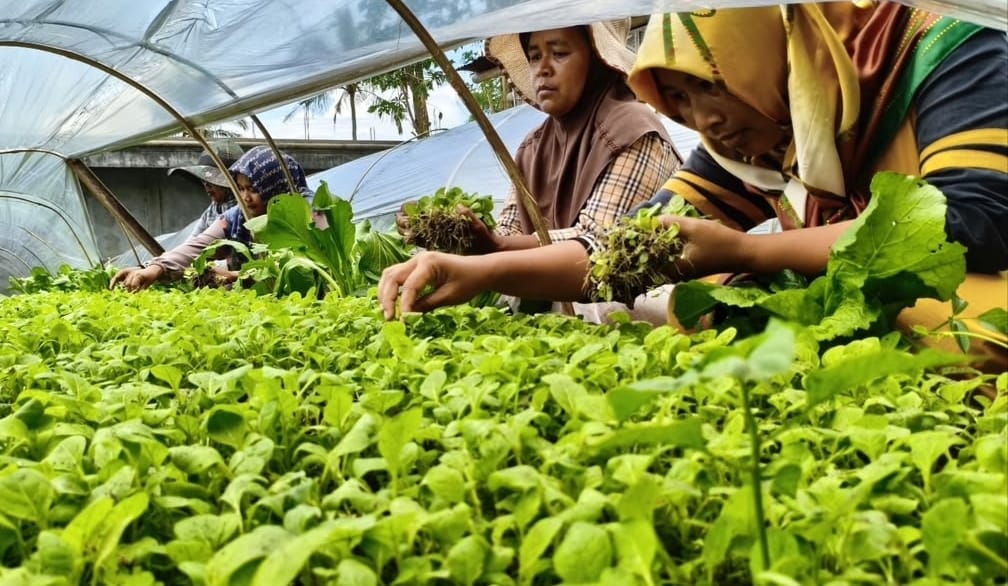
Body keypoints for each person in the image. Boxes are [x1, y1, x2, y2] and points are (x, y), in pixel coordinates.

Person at [378, 4, 1006, 355]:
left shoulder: (947, 43)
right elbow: (625, 248)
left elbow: (971, 224)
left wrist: (746, 250)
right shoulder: (750, 139)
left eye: (715, 85)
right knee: (688, 302)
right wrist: (479, 271)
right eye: (679, 96)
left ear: (775, 52)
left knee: (963, 325)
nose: (703, 120)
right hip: (861, 297)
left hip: (979, 279)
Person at [400, 20, 681, 257]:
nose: (542, 68)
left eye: (559, 53)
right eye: (534, 56)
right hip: (563, 299)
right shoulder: (533, 147)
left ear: (598, 61)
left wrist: (495, 246)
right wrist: (447, 231)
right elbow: (509, 230)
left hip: (634, 309)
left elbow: (596, 246)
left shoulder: (634, 130)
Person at [111, 145, 312, 292]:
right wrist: (153, 268)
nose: (245, 197)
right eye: (240, 188)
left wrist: (235, 277)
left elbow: (305, 269)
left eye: (253, 189)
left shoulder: (313, 213)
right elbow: (199, 246)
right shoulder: (237, 216)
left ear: (274, 186)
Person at [168, 141, 245, 238]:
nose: (206, 185)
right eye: (203, 180)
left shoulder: (244, 210)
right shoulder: (211, 211)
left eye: (211, 181)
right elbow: (193, 240)